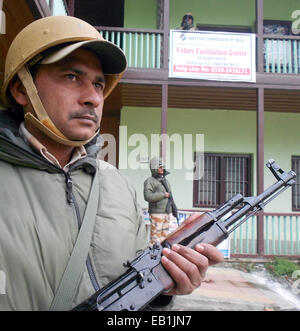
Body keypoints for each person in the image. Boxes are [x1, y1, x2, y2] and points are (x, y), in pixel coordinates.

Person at [0, 16, 223, 311]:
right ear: (21, 89)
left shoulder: (118, 185)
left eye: (98, 84)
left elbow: (132, 290)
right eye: (71, 76)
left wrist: (163, 291)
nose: (93, 97)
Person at [144, 157, 178, 244]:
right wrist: (162, 195)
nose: (162, 169)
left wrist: (174, 209)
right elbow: (147, 196)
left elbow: (171, 197)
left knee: (164, 238)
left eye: (163, 166)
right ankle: (153, 256)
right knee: (155, 239)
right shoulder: (150, 181)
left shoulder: (165, 181)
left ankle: (161, 256)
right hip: (156, 214)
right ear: (154, 168)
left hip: (166, 213)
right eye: (160, 167)